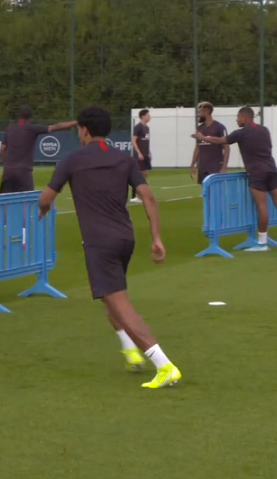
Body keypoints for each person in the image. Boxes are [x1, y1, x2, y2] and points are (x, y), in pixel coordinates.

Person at [38, 105, 181, 389]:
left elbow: (46, 197)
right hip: (125, 238)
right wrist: (156, 239)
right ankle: (130, 351)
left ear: (85, 130)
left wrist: (42, 210)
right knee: (110, 296)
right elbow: (148, 198)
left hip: (99, 242)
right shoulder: (125, 160)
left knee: (120, 303)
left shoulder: (72, 160)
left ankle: (163, 365)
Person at [192, 106, 277, 252]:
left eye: (238, 117)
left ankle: (262, 243)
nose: (237, 120)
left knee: (262, 207)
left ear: (245, 117)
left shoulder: (241, 133)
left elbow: (220, 140)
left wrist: (203, 138)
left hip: (256, 172)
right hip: (271, 169)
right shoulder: (264, 130)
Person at [0, 105, 76, 193]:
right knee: (28, 200)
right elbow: (56, 127)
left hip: (8, 171)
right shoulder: (32, 128)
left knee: (5, 200)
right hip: (23, 171)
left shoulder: (10, 129)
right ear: (30, 118)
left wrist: (6, 164)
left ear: (18, 116)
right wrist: (75, 123)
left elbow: (2, 149)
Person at [189, 102, 230, 185]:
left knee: (217, 192)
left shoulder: (219, 127)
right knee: (206, 192)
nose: (198, 115)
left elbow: (226, 147)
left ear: (206, 112)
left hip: (216, 166)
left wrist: (224, 167)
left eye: (199, 112)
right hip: (203, 166)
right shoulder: (200, 128)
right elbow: (198, 147)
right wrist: (193, 164)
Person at [129, 109, 152, 203]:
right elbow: (133, 140)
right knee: (137, 174)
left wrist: (149, 152)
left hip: (145, 155)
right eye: (148, 115)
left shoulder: (147, 128)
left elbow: (146, 142)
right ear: (143, 116)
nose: (149, 117)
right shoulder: (138, 127)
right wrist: (138, 152)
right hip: (139, 155)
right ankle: (134, 196)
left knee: (144, 174)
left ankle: (142, 194)